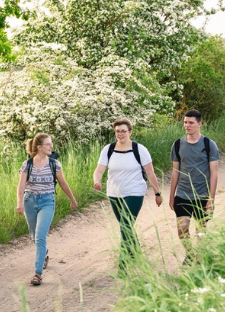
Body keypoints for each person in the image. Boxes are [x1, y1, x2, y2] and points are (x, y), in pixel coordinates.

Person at [93, 118, 162, 269]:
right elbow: (99, 170)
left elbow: (150, 173)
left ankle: (123, 263)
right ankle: (137, 255)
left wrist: (158, 193)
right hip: (114, 193)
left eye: (123, 131)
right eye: (117, 131)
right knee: (126, 226)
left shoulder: (140, 149)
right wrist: (97, 180)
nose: (120, 134)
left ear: (130, 132)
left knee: (125, 224)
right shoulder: (108, 149)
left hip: (134, 191)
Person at [16, 133, 78, 286]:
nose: (51, 147)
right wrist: (19, 203)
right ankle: (44, 254)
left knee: (40, 235)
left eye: (51, 144)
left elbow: (63, 183)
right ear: (39, 147)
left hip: (47, 201)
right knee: (33, 235)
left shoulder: (54, 164)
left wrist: (72, 199)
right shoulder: (27, 164)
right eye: (48, 144)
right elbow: (21, 186)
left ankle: (38, 273)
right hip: (29, 201)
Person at [169, 109, 219, 263]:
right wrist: (172, 196)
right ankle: (190, 254)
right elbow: (175, 171)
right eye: (185, 122)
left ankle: (200, 257)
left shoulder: (209, 145)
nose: (187, 125)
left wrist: (211, 199)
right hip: (183, 194)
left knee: (200, 231)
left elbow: (214, 173)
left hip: (202, 195)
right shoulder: (178, 144)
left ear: (199, 124)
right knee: (181, 229)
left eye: (191, 122)